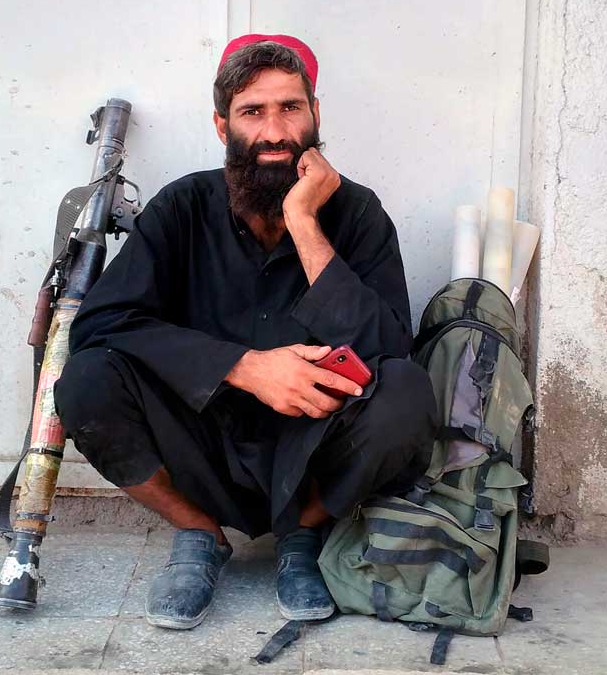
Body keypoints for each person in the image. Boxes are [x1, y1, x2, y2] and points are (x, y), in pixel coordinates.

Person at [54, 34, 438, 630]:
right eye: (253, 112)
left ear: (315, 115)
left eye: (291, 108)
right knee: (85, 383)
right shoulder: (183, 207)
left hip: (313, 443)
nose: (275, 131)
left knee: (407, 393)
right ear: (221, 125)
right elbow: (102, 325)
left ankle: (302, 536)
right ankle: (198, 532)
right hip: (201, 438)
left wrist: (304, 221)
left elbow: (388, 349)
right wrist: (244, 366)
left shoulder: (357, 212)